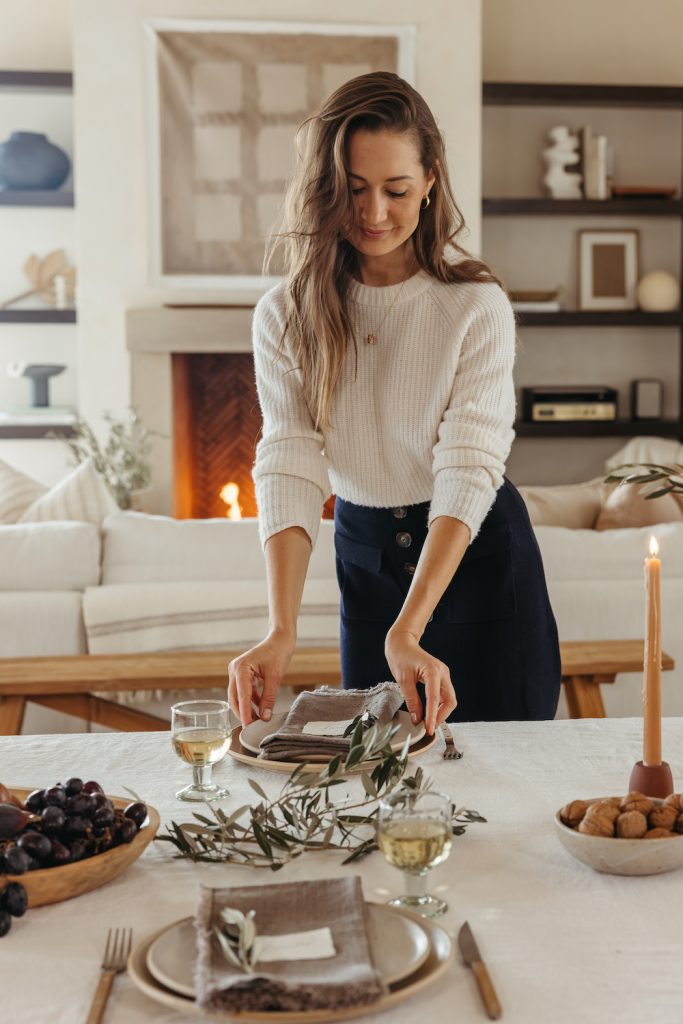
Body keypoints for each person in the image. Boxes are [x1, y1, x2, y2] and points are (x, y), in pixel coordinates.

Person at [228, 72, 561, 734]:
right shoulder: (284, 315)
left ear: (430, 180)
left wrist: (408, 629)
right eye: (352, 190)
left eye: (396, 189)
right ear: (322, 191)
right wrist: (280, 629)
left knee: (507, 770)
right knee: (381, 776)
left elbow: (468, 465)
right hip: (367, 556)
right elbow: (290, 461)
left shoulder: (473, 306)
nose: (374, 212)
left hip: (474, 549)